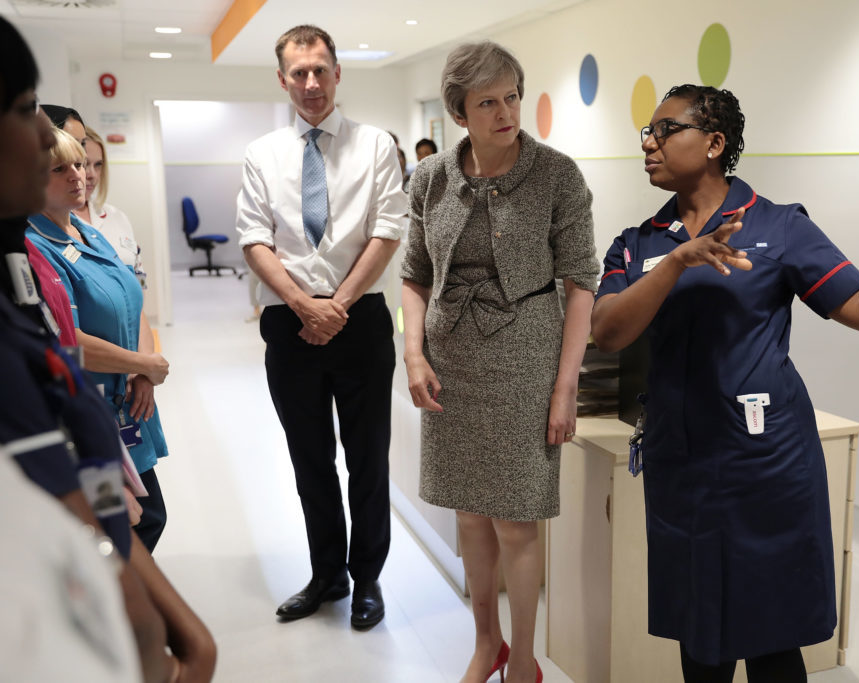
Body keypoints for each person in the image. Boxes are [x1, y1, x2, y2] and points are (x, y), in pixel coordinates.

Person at [591, 84, 859, 682]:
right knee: (699, 635)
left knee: (773, 638)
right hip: (680, 464)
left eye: (664, 130)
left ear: (714, 143)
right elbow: (607, 331)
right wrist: (680, 262)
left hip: (767, 466)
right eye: (646, 135)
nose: (649, 144)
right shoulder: (639, 242)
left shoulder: (780, 228)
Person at [0, 16, 215, 680]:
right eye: (22, 108)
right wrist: (128, 598)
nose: (45, 140)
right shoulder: (30, 256)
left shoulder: (69, 243)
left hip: (113, 444)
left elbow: (127, 297)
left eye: (88, 163)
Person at [400, 41, 597, 683]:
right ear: (460, 113)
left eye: (512, 95)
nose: (507, 110)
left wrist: (566, 387)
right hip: (451, 359)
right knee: (469, 514)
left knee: (517, 520)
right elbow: (414, 274)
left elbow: (581, 284)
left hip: (525, 360)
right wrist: (413, 354)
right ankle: (487, 645)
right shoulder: (430, 179)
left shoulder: (558, 176)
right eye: (488, 101)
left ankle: (525, 661)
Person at [237, 24, 406, 629]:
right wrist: (304, 305)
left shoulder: (375, 147)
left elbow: (388, 230)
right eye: (298, 73)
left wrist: (336, 304)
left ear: (338, 73)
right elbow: (254, 239)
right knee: (310, 459)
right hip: (289, 323)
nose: (311, 83)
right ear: (282, 79)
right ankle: (327, 575)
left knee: (368, 459)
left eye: (320, 70)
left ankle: (367, 580)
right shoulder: (263, 154)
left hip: (359, 320)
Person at [26, 125, 171, 553]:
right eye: (60, 168)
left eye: (81, 164)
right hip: (84, 419)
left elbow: (131, 300)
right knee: (117, 527)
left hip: (126, 404)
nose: (78, 176)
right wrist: (140, 365)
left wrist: (142, 370)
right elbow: (69, 342)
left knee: (143, 517)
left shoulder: (86, 231)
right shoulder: (35, 249)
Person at [75, 126, 147, 288]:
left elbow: (139, 277)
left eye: (98, 165)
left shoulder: (117, 216)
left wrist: (141, 311)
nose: (92, 174)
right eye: (84, 164)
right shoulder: (57, 223)